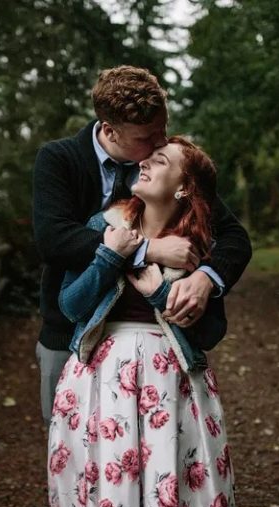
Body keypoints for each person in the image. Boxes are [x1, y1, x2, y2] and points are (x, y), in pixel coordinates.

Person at [32, 65, 251, 425]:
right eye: (148, 137)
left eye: (163, 129)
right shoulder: (59, 160)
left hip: (156, 349)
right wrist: (147, 250)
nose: (160, 142)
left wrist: (206, 278)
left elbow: (234, 236)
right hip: (69, 334)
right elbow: (54, 240)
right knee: (75, 451)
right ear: (109, 131)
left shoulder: (163, 168)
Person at [48, 136, 235, 507]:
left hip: (173, 380)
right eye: (147, 158)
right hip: (98, 376)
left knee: (173, 482)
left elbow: (211, 332)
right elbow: (70, 306)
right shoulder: (104, 225)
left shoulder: (196, 248)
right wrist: (111, 256)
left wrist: (162, 296)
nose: (145, 163)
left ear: (184, 187)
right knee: (102, 484)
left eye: (161, 160)